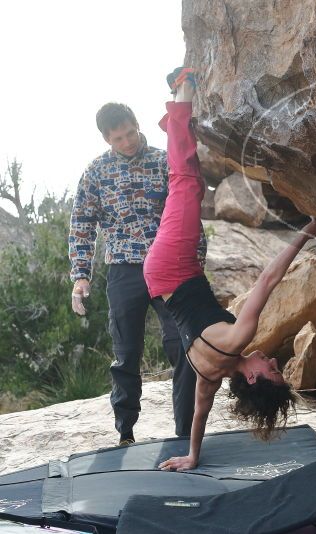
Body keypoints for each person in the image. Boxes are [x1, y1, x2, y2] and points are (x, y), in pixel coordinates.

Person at [145, 68, 316, 472]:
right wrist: (192, 456)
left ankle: (182, 93)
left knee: (187, 183)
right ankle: (175, 122)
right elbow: (198, 417)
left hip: (173, 268)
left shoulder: (237, 338)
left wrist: (306, 232)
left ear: (255, 379)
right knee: (188, 186)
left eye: (272, 370)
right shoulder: (211, 376)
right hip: (168, 279)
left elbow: (268, 279)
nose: (273, 361)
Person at [69, 101, 206, 446]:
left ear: (136, 124)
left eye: (130, 132)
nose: (128, 141)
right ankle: (125, 433)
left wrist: (196, 262)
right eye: (118, 138)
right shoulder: (96, 172)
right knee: (126, 352)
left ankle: (184, 433)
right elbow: (82, 224)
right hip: (123, 271)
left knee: (183, 346)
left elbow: (187, 211)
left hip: (169, 267)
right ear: (107, 140)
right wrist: (81, 274)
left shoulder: (163, 161)